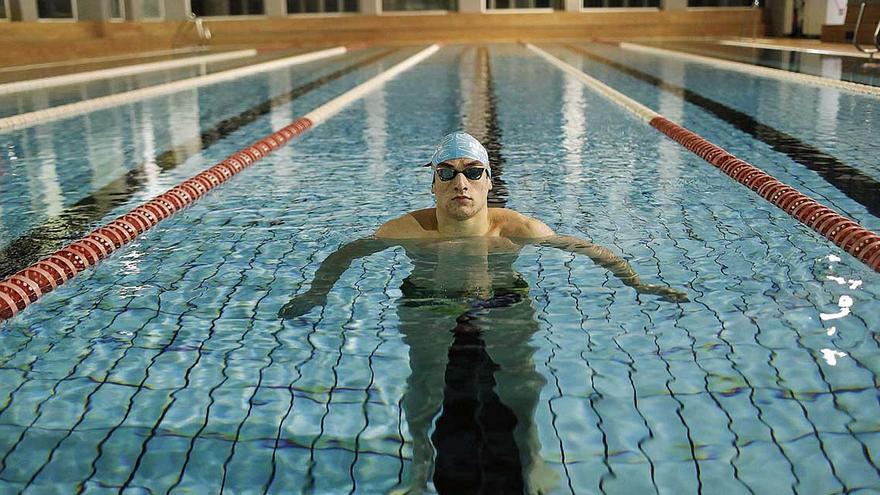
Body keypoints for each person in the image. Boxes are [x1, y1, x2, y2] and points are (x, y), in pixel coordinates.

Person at [280, 131, 687, 493]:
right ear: (433, 185)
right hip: (429, 300)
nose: (461, 182)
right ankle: (420, 466)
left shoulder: (516, 229)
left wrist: (639, 283)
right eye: (448, 173)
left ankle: (533, 457)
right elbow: (347, 253)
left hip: (502, 298)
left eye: (473, 172)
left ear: (489, 182)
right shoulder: (406, 229)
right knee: (423, 380)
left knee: (522, 380)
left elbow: (589, 250)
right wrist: (317, 294)